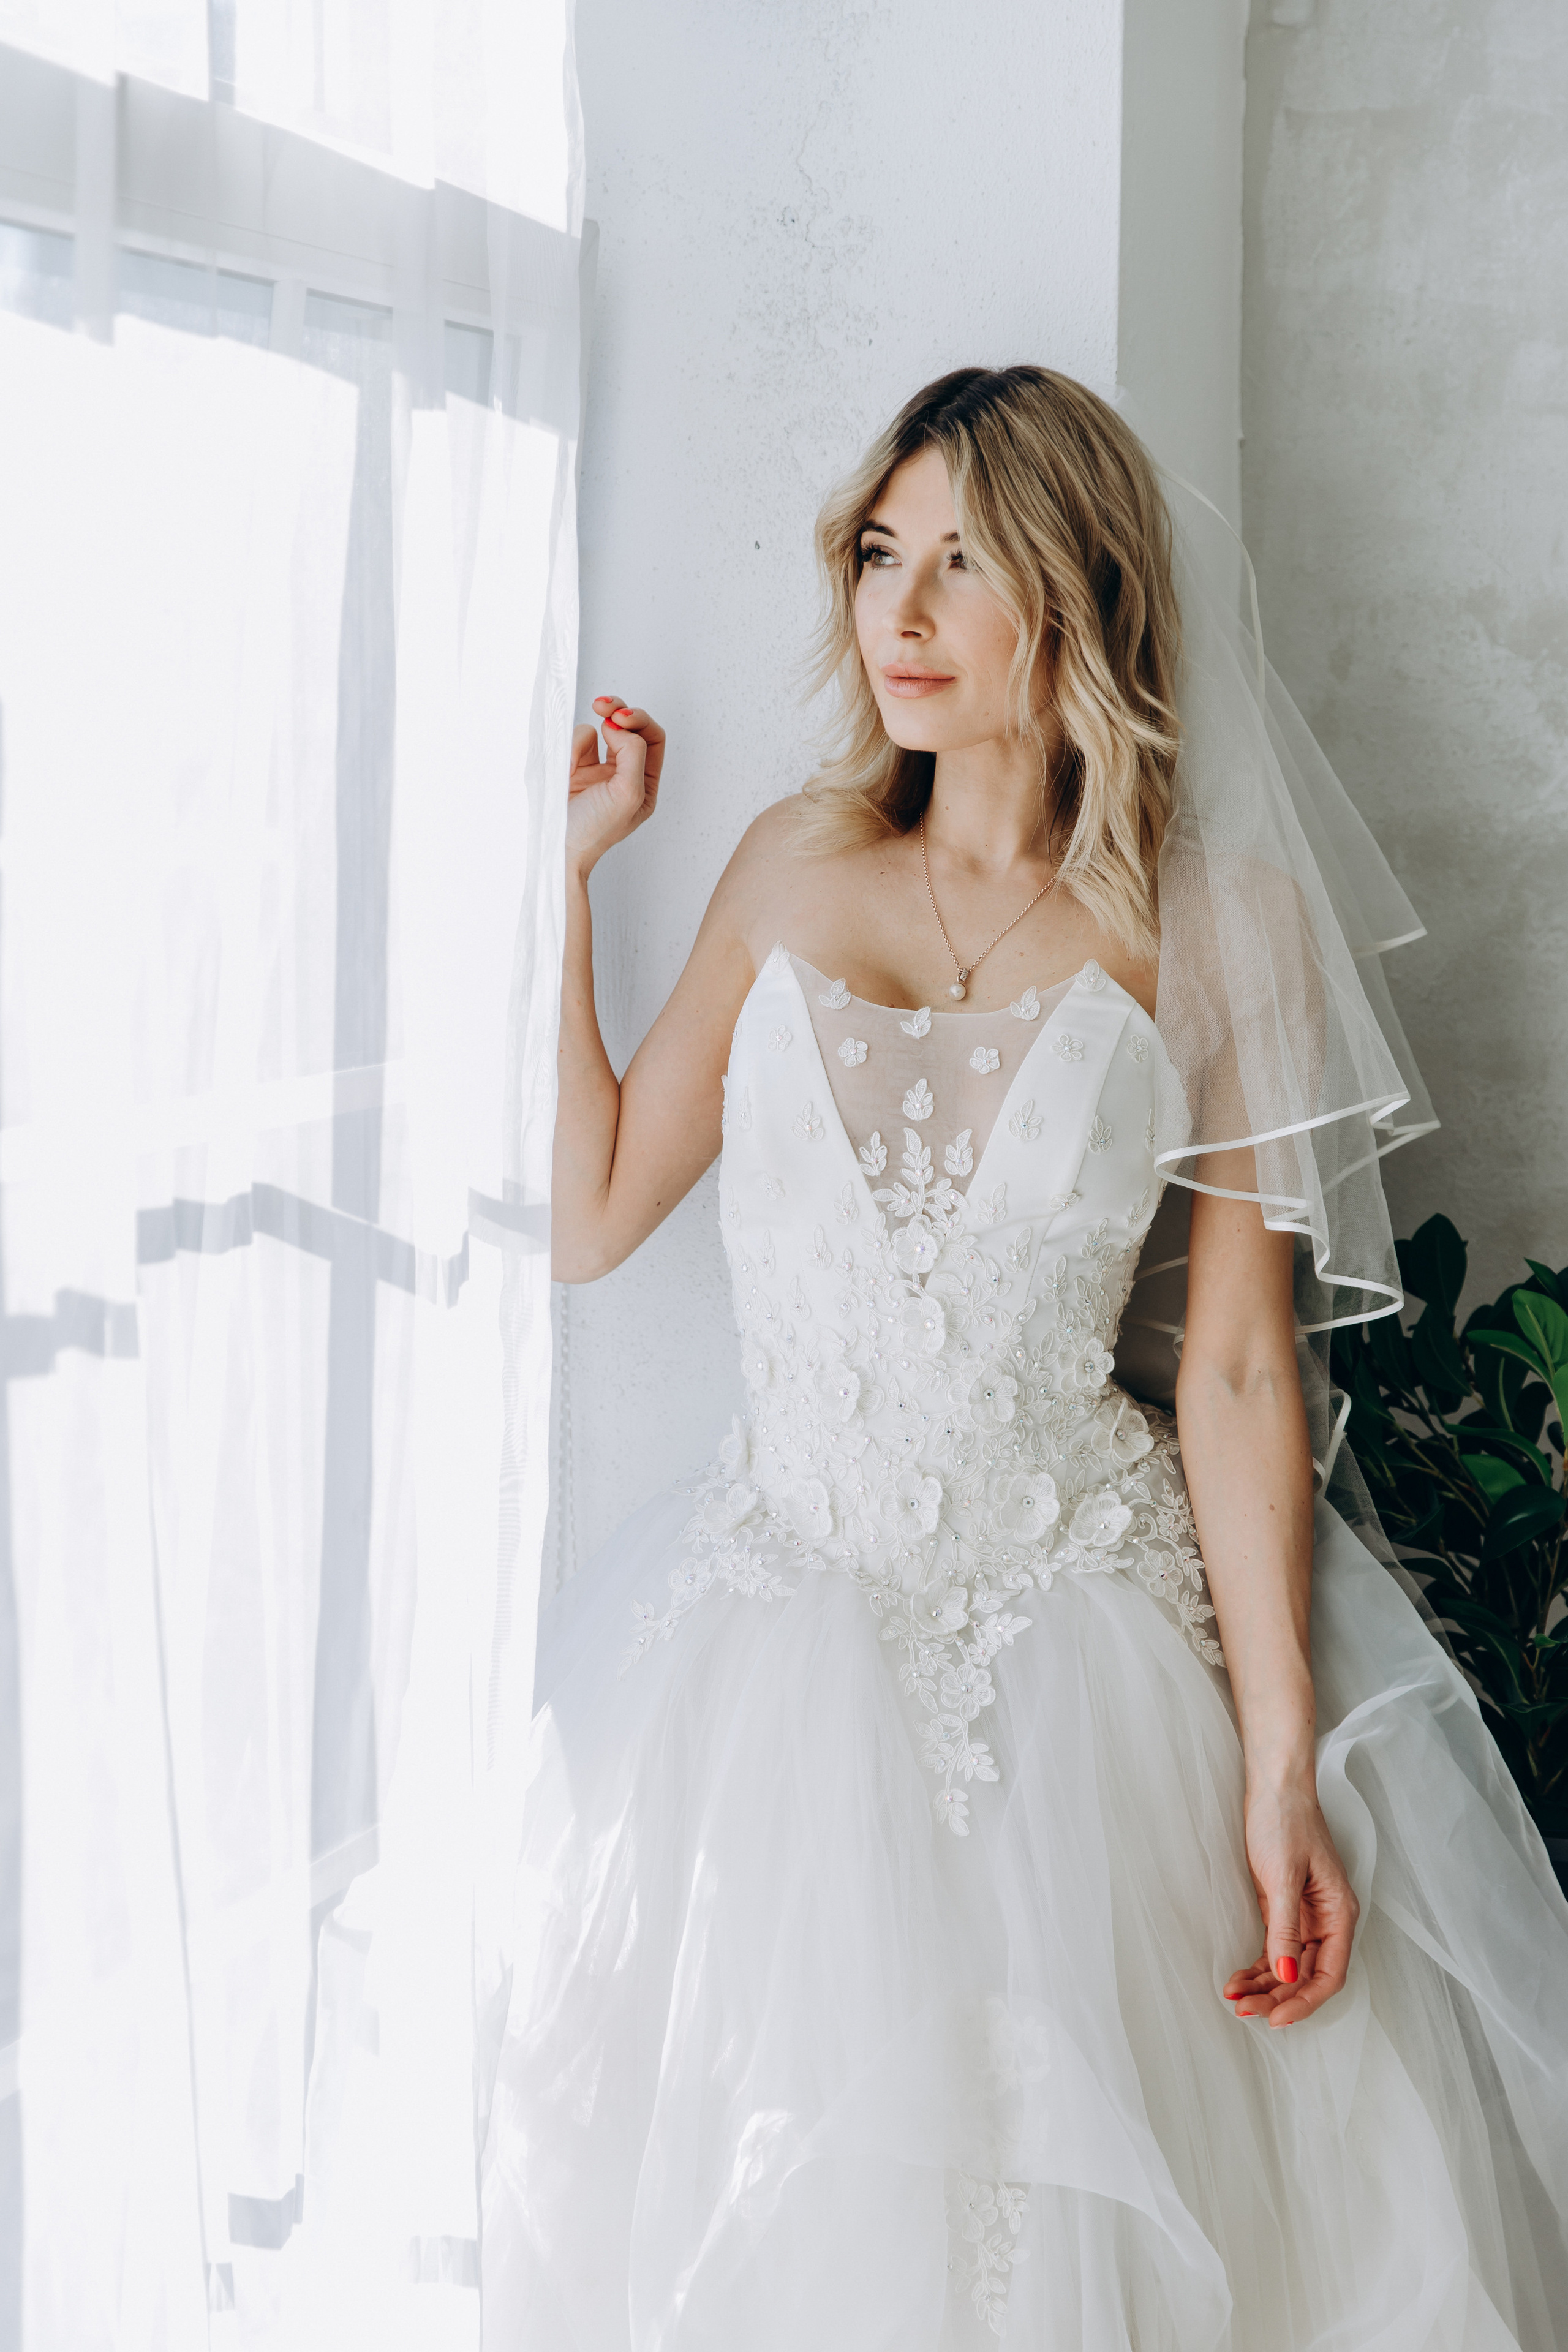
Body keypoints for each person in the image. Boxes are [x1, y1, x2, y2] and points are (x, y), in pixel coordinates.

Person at [480, 368, 1568, 2349]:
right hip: (775, 1647)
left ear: (1071, 595)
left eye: (959, 563)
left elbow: (1241, 1371)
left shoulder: (1218, 929)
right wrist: (566, 884)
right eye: (881, 555)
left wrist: (1271, 1762)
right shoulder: (792, 867)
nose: (898, 612)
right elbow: (598, 1212)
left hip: (1080, 1657)